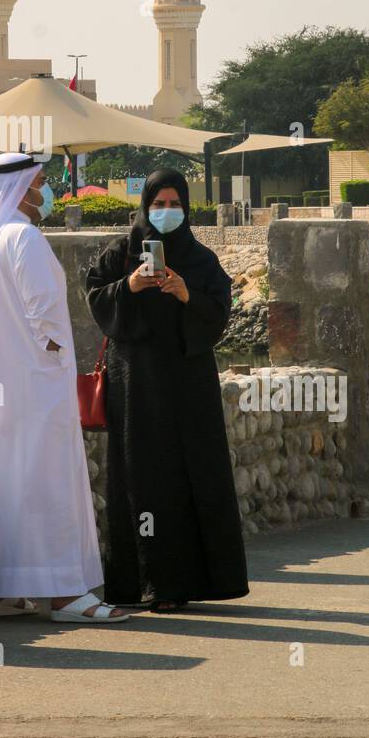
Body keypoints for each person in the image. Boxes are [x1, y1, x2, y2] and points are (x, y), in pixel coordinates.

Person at [0, 151, 129, 623]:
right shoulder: (23, 237)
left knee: (1, 485)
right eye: (41, 182)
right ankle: (65, 597)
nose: (47, 191)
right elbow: (47, 320)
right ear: (21, 189)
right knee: (48, 486)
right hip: (32, 390)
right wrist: (56, 365)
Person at [85, 168, 249, 611]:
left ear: (187, 209)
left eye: (175, 205)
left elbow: (218, 310)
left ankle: (182, 584)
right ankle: (138, 582)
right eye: (158, 205)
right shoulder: (120, 254)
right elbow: (96, 299)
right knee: (139, 478)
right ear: (145, 207)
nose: (166, 212)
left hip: (187, 385)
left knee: (188, 475)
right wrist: (130, 286)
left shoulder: (199, 259)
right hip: (134, 385)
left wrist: (185, 294)